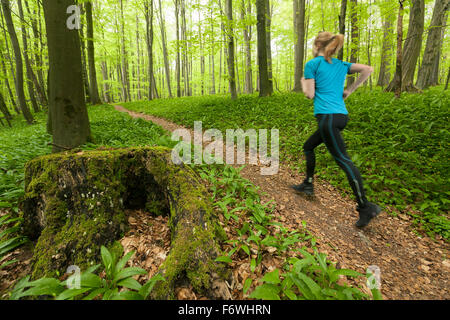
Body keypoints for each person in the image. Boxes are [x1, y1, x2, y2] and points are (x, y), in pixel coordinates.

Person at [291, 31, 381, 228]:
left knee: (343, 160)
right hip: (340, 116)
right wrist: (350, 89)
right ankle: (307, 183)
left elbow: (309, 94)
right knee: (308, 146)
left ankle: (365, 206)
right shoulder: (342, 65)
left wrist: (302, 82)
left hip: (327, 118)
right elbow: (368, 69)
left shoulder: (312, 64)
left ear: (317, 45)